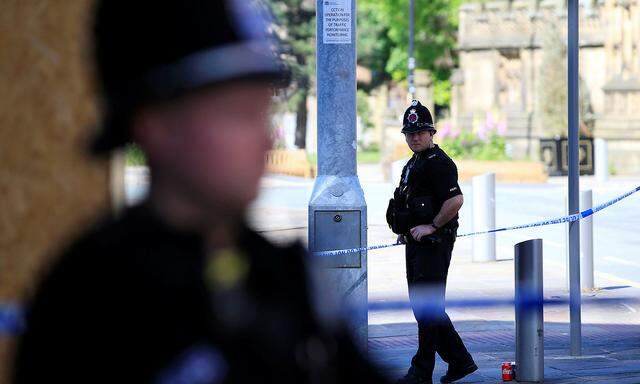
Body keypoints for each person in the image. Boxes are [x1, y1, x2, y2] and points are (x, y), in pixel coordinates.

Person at [12, 1, 390, 383]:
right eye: (237, 114)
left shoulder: (286, 275)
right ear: (155, 126)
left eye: (263, 113)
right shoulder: (90, 299)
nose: (264, 139)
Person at [389, 101, 477, 384]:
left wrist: (432, 226)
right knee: (423, 307)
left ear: (432, 133)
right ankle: (460, 362)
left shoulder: (440, 163)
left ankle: (422, 370)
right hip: (417, 244)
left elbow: (455, 200)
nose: (415, 137)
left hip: (435, 244)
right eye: (410, 133)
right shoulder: (413, 164)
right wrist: (407, 229)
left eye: (421, 132)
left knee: (427, 306)